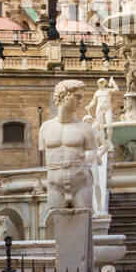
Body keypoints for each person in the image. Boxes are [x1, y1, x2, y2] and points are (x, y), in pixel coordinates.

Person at [39, 80, 99, 210]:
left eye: (82, 98)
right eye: (77, 96)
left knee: (83, 224)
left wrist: (82, 166)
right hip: (55, 186)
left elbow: (92, 153)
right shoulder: (45, 128)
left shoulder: (85, 129)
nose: (81, 101)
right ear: (63, 96)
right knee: (57, 225)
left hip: (81, 184)